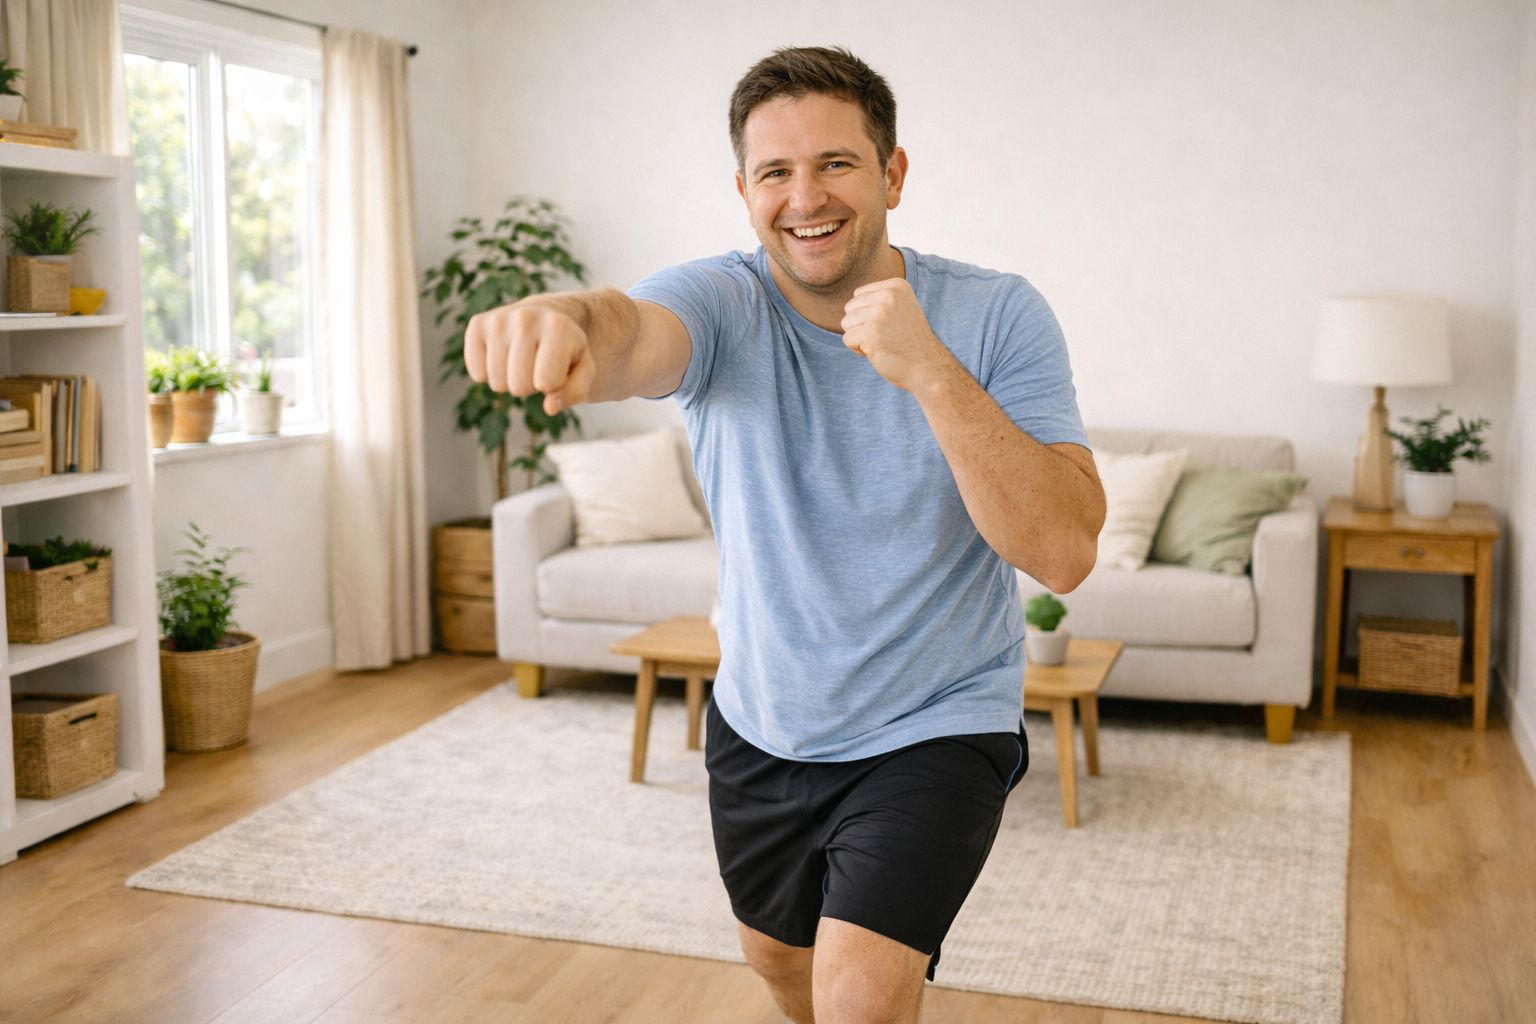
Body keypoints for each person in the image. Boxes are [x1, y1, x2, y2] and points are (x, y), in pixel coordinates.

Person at [465, 45, 1104, 1024]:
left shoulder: (996, 314)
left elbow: (1064, 551)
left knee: (859, 997)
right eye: (775, 171)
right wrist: (563, 316)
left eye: (836, 163)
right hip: (766, 717)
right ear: (744, 191)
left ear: (892, 174)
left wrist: (930, 370)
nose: (805, 197)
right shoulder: (720, 301)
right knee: (778, 959)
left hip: (937, 717)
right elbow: (626, 331)